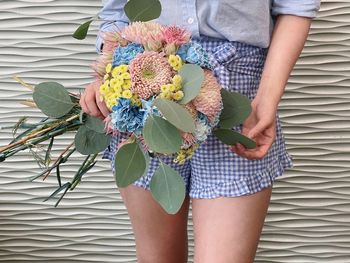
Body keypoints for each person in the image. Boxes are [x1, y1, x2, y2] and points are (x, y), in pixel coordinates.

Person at [79, 1, 321, 262]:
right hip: (144, 87)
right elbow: (117, 11)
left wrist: (267, 98)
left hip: (238, 93)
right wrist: (110, 74)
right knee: (156, 258)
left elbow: (297, 6)